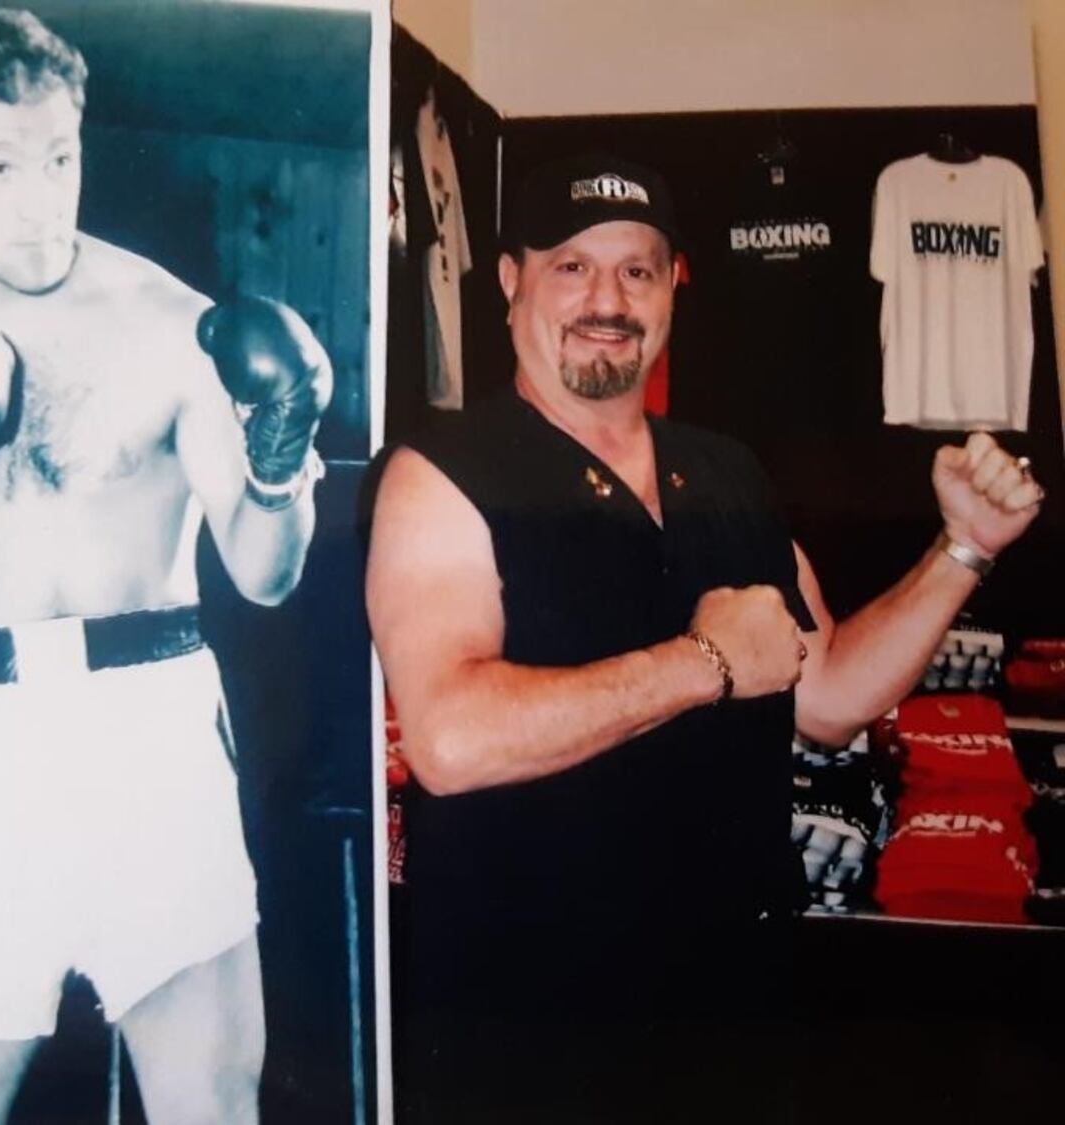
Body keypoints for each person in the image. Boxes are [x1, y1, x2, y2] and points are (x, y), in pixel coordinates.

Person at [365, 154, 1045, 1121]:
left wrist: (963, 549)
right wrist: (703, 665)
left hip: (730, 1009)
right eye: (572, 266)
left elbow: (833, 690)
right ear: (512, 280)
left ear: (672, 288)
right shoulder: (444, 473)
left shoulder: (725, 471)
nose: (608, 299)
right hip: (530, 1026)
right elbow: (450, 739)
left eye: (637, 270)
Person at [0, 9, 332, 1123]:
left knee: (210, 1108)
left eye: (58, 158)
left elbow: (266, 573)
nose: (38, 200)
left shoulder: (169, 323)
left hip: (155, 727)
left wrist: (281, 470)